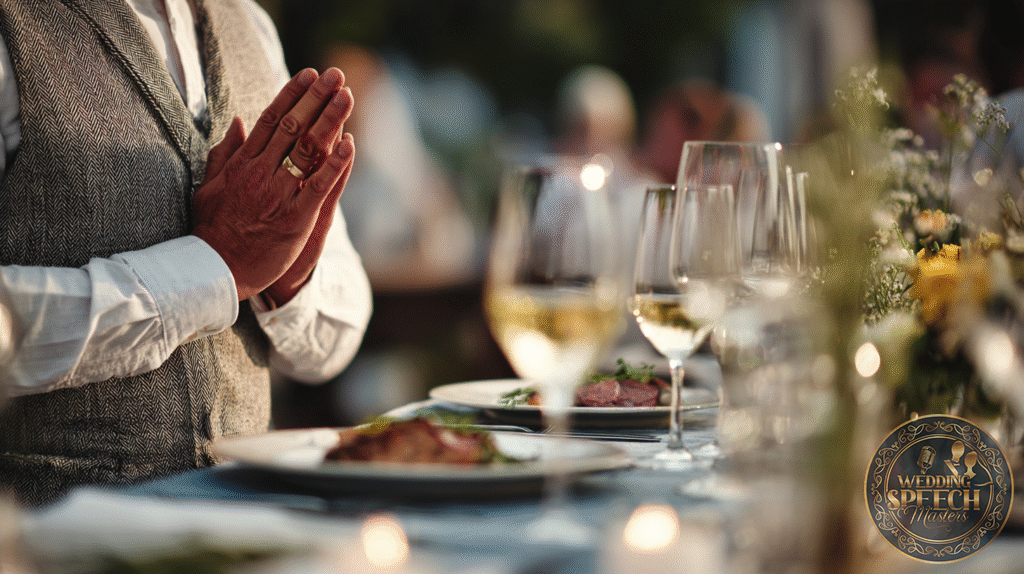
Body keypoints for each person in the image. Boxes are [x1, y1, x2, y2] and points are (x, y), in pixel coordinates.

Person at [0, 0, 372, 507]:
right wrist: (216, 268)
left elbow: (338, 334)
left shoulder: (250, 24)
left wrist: (285, 282)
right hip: (53, 542)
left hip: (260, 527)